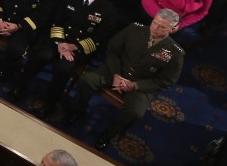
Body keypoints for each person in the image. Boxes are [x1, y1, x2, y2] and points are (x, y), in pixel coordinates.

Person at [65, 10, 185, 150]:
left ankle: (109, 134)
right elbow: (112, 50)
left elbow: (167, 81)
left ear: (173, 29)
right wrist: (116, 73)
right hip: (116, 71)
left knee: (135, 113)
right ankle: (78, 110)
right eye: (154, 23)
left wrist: (134, 85)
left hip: (140, 85)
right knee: (87, 79)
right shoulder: (134, 29)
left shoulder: (176, 53)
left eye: (162, 27)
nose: (155, 28)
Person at [16, 0, 120, 112]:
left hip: (78, 49)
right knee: (40, 55)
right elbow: (56, 20)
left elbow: (100, 39)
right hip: (58, 39)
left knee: (63, 68)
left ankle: (49, 103)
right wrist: (60, 43)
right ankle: (20, 86)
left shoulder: (108, 11)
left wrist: (74, 46)